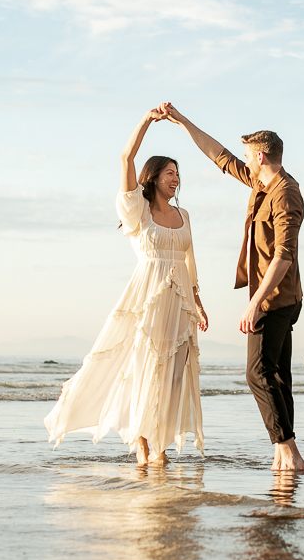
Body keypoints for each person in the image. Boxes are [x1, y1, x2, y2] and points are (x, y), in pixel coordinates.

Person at [44, 109, 209, 466]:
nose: (176, 179)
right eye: (169, 173)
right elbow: (126, 157)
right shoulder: (139, 211)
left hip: (179, 301)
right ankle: (145, 447)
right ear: (153, 177)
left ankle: (161, 446)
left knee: (175, 375)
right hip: (148, 297)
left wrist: (198, 301)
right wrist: (148, 121)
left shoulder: (185, 216)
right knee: (148, 369)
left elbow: (190, 261)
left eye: (178, 174)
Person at [158, 103, 304, 472]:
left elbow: (284, 255)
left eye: (247, 156)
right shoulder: (263, 182)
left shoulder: (285, 193)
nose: (242, 160)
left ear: (259, 156)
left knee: (257, 373)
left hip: (276, 298)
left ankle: (288, 450)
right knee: (276, 375)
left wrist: (255, 303)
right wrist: (181, 121)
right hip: (276, 296)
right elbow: (219, 156)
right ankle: (284, 452)